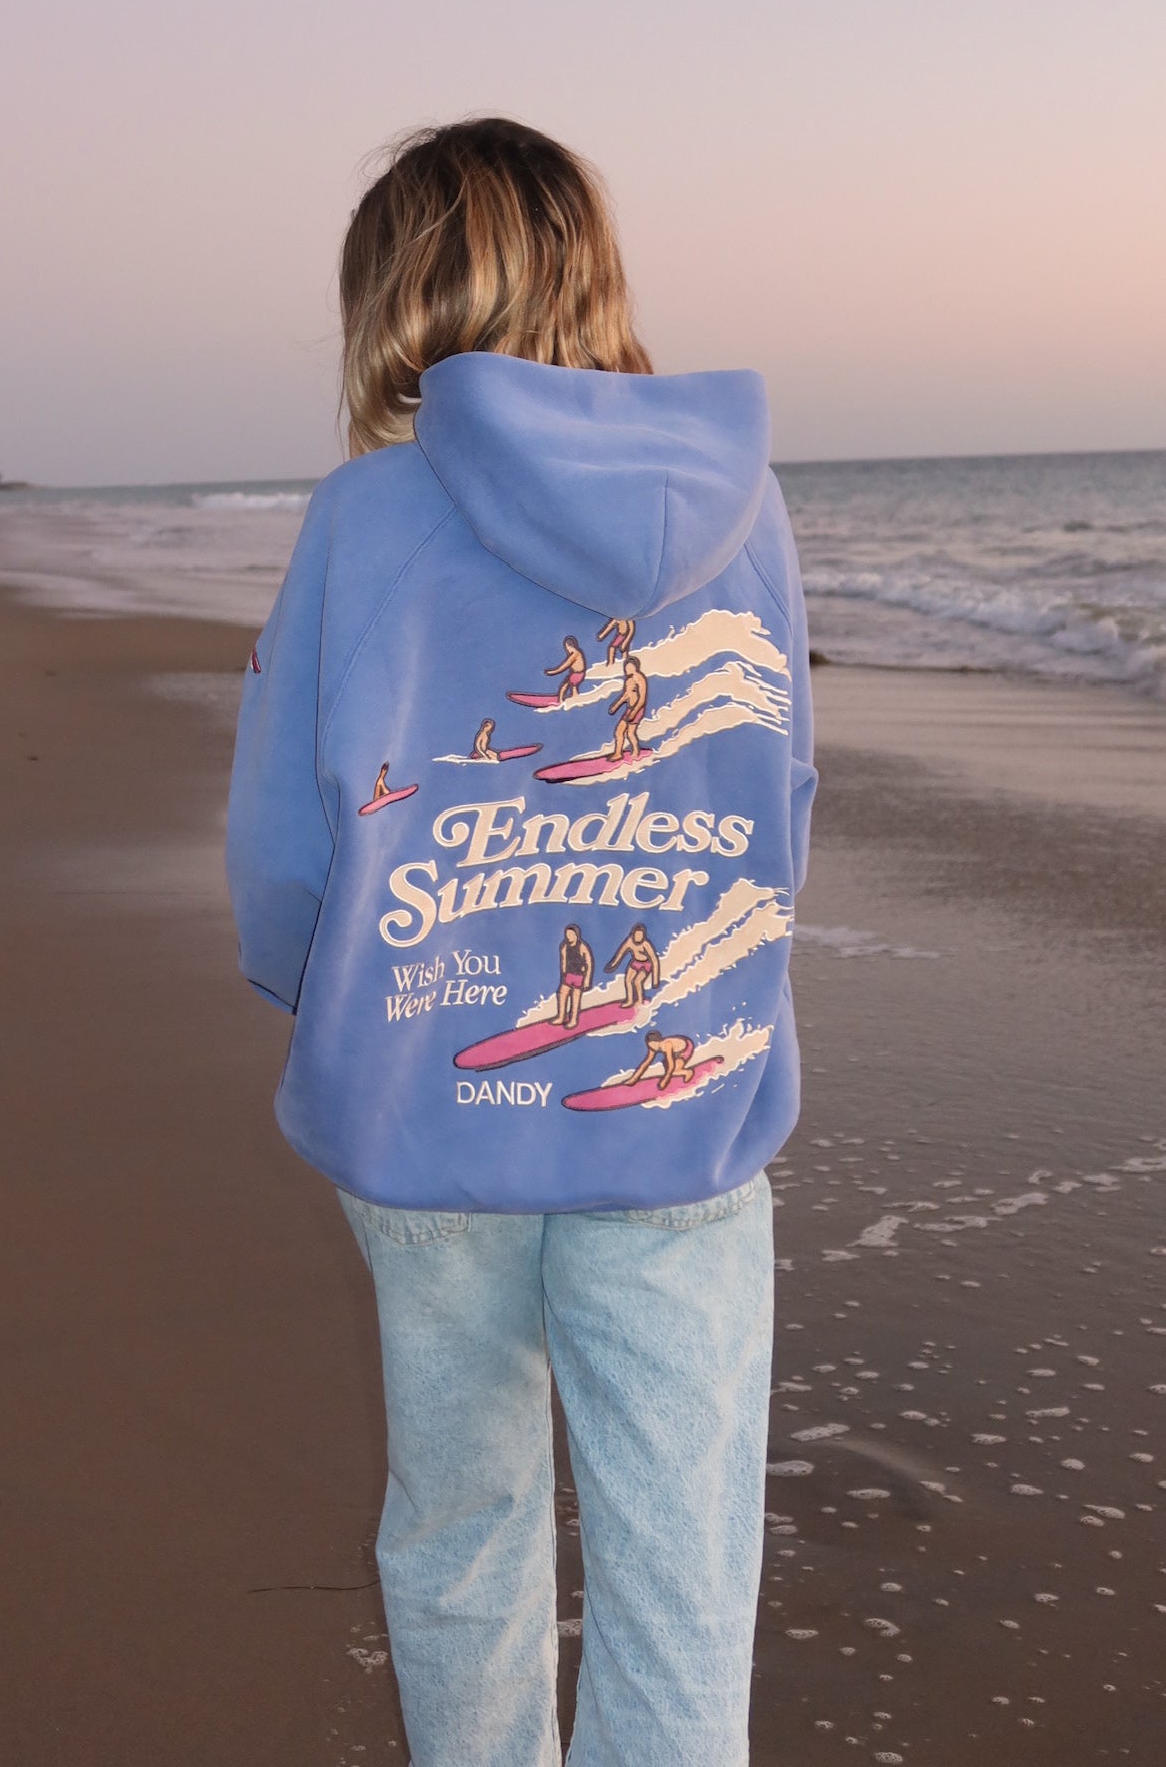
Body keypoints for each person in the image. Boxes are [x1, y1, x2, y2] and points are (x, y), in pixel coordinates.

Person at [227, 117, 818, 1767]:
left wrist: (314, 990)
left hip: (426, 1112)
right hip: (676, 1115)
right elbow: (777, 791)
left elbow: (281, 845)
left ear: (392, 300)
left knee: (464, 1527)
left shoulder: (362, 521)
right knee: (682, 1569)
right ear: (594, 276)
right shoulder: (746, 515)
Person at [625, 1025, 697, 1091]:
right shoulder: (652, 1047)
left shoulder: (666, 1044)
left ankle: (687, 1072)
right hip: (675, 1052)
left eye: (654, 1045)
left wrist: (665, 1080)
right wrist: (634, 1079)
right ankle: (680, 1070)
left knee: (674, 1070)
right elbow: (645, 1063)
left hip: (684, 1049)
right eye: (650, 1046)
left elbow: (671, 1064)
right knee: (667, 1066)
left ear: (659, 1041)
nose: (653, 1048)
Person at [606, 921, 660, 1008]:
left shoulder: (646, 944)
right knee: (628, 980)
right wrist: (613, 964)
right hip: (635, 962)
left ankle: (639, 1000)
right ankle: (630, 1000)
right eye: (637, 935)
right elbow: (620, 953)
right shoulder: (629, 941)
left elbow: (654, 960)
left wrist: (655, 980)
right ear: (633, 934)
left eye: (640, 935)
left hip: (646, 964)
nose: (638, 937)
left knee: (637, 981)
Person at [608, 652, 648, 761]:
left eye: (629, 667)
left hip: (637, 709)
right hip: (629, 709)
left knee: (630, 733)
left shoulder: (640, 679)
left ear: (635, 667)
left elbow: (642, 699)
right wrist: (616, 706)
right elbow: (626, 695)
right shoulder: (629, 680)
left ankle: (635, 751)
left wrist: (634, 713)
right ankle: (618, 753)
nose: (627, 669)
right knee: (619, 731)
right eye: (626, 667)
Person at [555, 922, 593, 1029]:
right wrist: (563, 973)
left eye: (571, 934)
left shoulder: (582, 947)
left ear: (576, 935)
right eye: (567, 934)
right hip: (568, 975)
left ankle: (573, 1019)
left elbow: (589, 963)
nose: (569, 937)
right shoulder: (564, 946)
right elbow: (563, 961)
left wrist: (587, 980)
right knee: (562, 994)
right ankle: (561, 1016)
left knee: (575, 998)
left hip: (579, 976)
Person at [544, 636, 587, 702]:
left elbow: (564, 666)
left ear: (569, 646)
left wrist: (551, 672)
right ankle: (575, 697)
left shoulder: (574, 655)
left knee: (563, 687)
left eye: (566, 647)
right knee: (572, 687)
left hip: (576, 675)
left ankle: (560, 702)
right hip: (579, 674)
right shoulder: (578, 652)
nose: (566, 649)